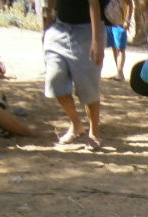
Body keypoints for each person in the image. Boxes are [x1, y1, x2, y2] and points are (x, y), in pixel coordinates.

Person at [42, 0, 104, 147]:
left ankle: (94, 132)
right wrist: (47, 27)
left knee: (88, 85)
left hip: (87, 30)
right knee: (54, 79)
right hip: (59, 28)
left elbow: (93, 3)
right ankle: (76, 125)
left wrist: (96, 40)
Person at [104, 0, 133, 81]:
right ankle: (119, 72)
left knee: (120, 48)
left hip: (120, 23)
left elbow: (130, 4)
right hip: (109, 22)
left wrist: (127, 21)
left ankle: (120, 73)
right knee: (114, 46)